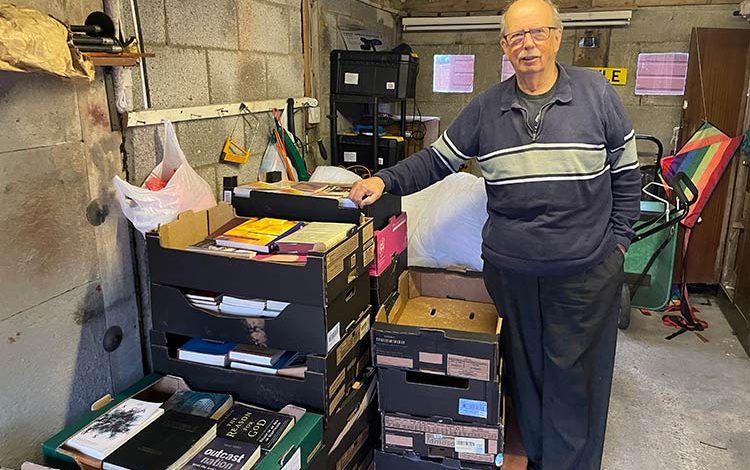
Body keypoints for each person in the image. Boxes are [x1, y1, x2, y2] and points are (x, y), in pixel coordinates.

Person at [348, 0, 641, 468]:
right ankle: (539, 458)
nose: (528, 45)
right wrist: (386, 180)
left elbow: (627, 176)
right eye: (516, 36)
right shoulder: (487, 108)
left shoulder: (596, 94)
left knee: (577, 382)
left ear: (557, 37)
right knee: (527, 376)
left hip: (585, 271)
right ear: (504, 46)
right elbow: (437, 160)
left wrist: (618, 244)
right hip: (513, 273)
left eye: (537, 33)